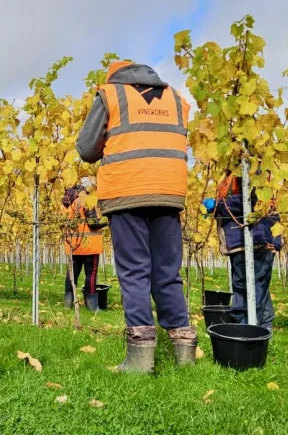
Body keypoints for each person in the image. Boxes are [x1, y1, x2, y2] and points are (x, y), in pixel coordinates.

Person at [76, 60, 194, 373]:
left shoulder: (111, 94)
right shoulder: (176, 98)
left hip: (127, 189)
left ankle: (141, 359)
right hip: (169, 190)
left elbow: (87, 149)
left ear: (114, 76)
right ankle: (184, 353)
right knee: (168, 271)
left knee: (135, 271)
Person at [206, 171, 281, 330]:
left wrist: (217, 206)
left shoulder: (248, 167)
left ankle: (246, 329)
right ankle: (264, 327)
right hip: (246, 239)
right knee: (258, 285)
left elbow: (249, 200)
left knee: (246, 286)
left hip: (252, 238)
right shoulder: (234, 172)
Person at [62, 184, 106, 311]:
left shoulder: (68, 203)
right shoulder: (87, 201)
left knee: (72, 274)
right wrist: (106, 220)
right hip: (90, 245)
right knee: (91, 275)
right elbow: (94, 223)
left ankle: (68, 304)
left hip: (73, 245)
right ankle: (93, 306)